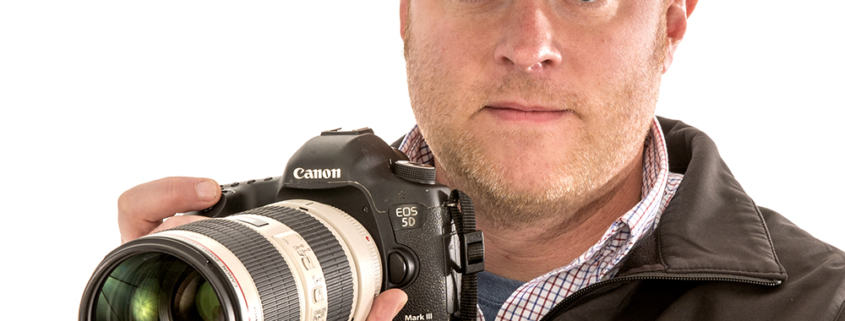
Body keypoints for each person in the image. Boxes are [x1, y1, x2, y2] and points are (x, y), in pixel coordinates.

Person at [117, 0, 845, 320]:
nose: (528, 44)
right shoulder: (257, 280)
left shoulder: (819, 308)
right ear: (406, 13)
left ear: (672, 20)